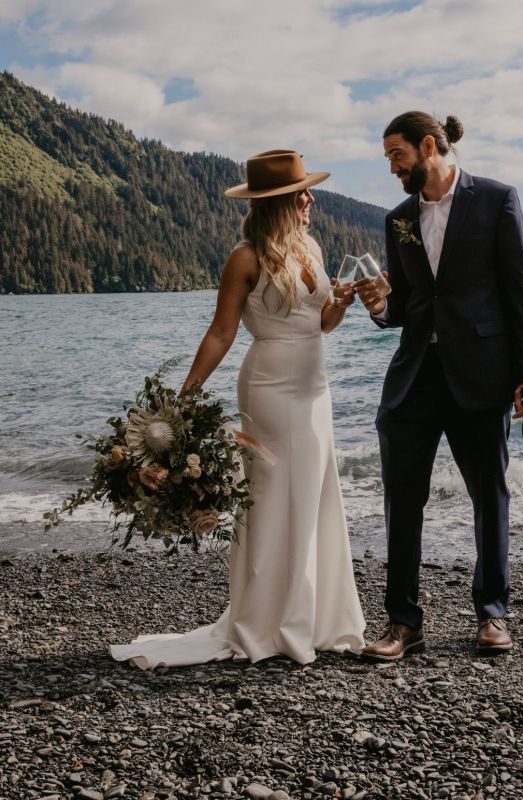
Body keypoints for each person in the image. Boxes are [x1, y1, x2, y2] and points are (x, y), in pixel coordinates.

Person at [110, 149, 365, 667]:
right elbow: (221, 333)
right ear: (280, 202)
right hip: (269, 388)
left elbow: (319, 324)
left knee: (314, 494)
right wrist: (182, 402)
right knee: (270, 498)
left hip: (315, 390)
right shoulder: (245, 258)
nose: (311, 200)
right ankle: (267, 621)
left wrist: (339, 306)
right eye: (302, 194)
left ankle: (314, 617)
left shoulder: (311, 247)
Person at [356, 112, 523, 660]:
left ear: (428, 146)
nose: (392, 167)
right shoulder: (398, 220)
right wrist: (379, 305)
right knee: (401, 499)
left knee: (489, 495)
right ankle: (403, 623)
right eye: (387, 158)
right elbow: (405, 307)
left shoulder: (497, 200)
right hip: (414, 377)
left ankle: (492, 614)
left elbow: (522, 291)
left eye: (397, 155)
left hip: (482, 375)